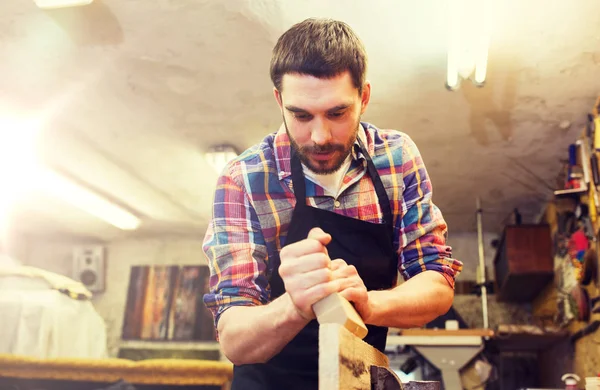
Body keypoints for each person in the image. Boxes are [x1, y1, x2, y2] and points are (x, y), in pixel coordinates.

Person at [202, 17, 463, 389]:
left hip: (357, 379)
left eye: (337, 113)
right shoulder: (244, 179)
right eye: (301, 115)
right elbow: (234, 340)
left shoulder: (397, 159)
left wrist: (368, 305)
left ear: (364, 97)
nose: (320, 137)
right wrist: (296, 304)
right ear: (279, 101)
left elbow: (437, 284)